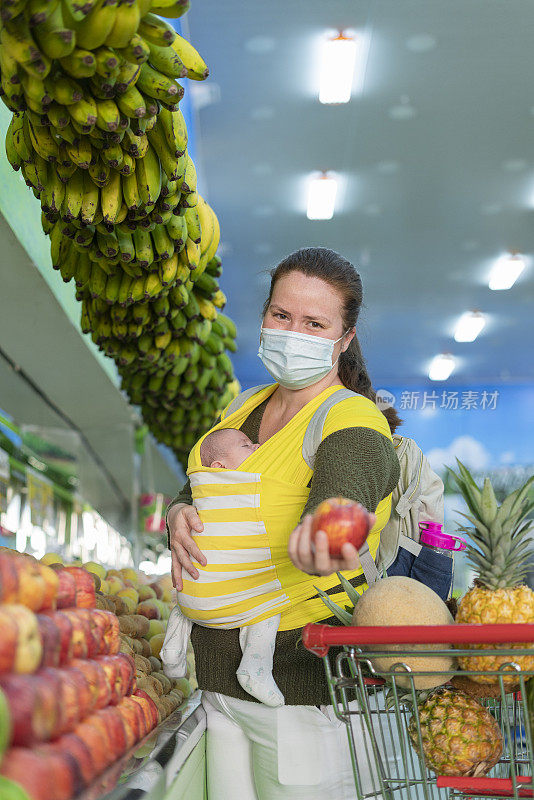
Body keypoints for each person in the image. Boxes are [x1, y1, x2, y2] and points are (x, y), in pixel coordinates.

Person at [167, 247, 402, 800]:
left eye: (315, 323)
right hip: (218, 690)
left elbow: (355, 479)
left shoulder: (350, 416)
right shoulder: (244, 407)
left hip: (299, 699)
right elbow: (198, 488)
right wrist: (176, 517)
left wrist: (331, 530)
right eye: (281, 315)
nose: (292, 333)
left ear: (344, 339)